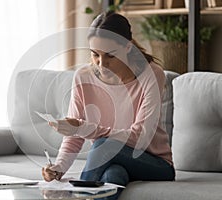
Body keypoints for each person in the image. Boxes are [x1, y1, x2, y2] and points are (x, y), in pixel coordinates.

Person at [42, 11, 175, 200]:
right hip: (111, 158)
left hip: (155, 163)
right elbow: (74, 136)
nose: (101, 64)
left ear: (128, 47)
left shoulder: (151, 74)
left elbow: (141, 137)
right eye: (95, 54)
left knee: (105, 144)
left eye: (110, 56)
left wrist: (85, 128)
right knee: (113, 176)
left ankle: (78, 195)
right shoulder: (83, 77)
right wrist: (58, 168)